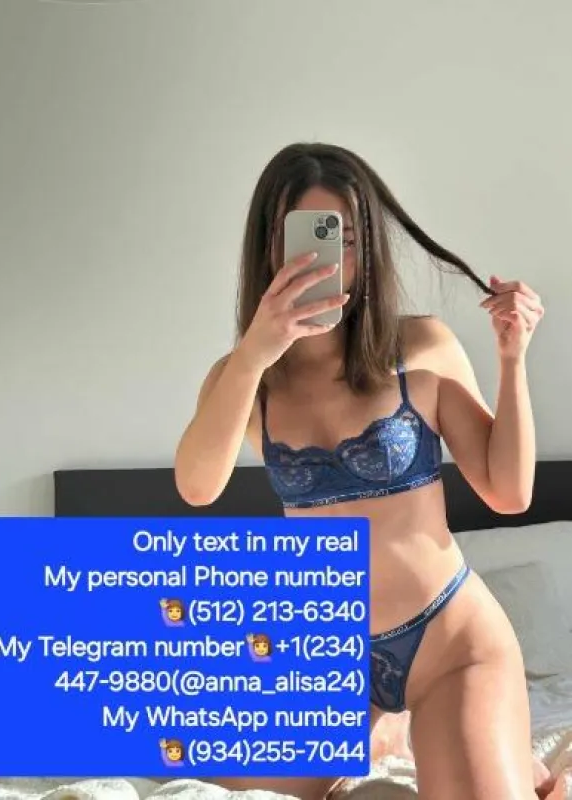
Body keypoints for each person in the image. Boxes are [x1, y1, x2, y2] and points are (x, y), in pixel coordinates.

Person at [174, 142, 545, 800]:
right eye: (305, 238)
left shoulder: (420, 347)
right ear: (268, 248)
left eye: (344, 239)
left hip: (448, 643)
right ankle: (385, 734)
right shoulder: (244, 381)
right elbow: (197, 487)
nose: (326, 260)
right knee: (206, 782)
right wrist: (255, 352)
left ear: (365, 249)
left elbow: (508, 493)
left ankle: (522, 764)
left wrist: (513, 360)